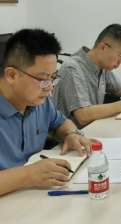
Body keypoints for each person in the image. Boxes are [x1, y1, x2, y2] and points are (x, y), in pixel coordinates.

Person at [0, 29, 96, 196]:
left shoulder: (39, 102)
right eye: (43, 79)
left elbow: (60, 123)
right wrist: (28, 174)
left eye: (53, 77)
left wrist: (71, 134)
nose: (50, 87)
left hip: (32, 197)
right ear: (11, 75)